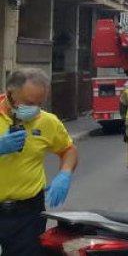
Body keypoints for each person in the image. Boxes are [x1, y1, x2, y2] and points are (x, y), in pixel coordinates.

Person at [0, 68, 77, 253]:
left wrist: (65, 173)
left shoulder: (47, 122)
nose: (34, 110)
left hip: (27, 213)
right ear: (10, 93)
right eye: (29, 103)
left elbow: (68, 150)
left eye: (39, 104)